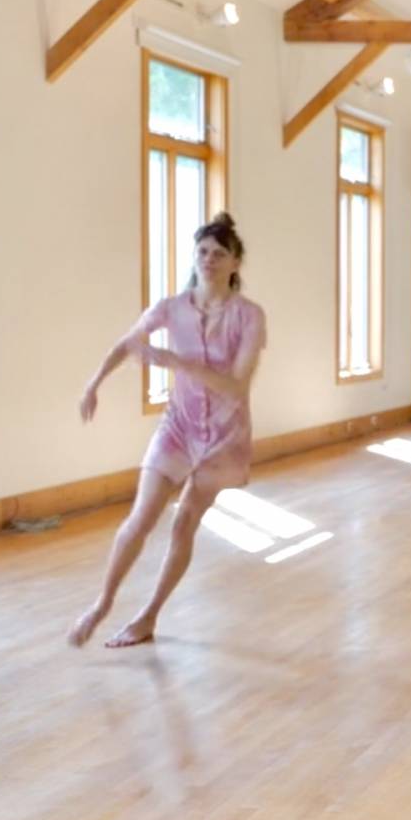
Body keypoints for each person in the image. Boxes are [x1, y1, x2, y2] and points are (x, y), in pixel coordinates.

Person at [69, 213, 266, 648]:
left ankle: (147, 617)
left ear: (235, 264)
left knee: (184, 524)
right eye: (202, 252)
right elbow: (128, 343)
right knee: (140, 518)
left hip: (225, 436)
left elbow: (236, 387)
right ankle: (102, 604)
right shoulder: (171, 308)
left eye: (219, 254)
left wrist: (176, 363)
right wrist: (94, 383)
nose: (209, 260)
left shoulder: (249, 317)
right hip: (178, 426)